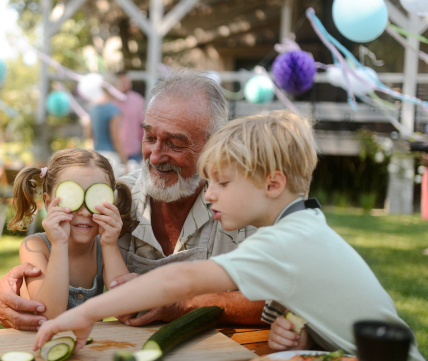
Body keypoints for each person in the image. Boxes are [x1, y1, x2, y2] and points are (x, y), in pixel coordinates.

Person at [32, 110, 425, 361]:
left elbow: (179, 280)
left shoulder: (286, 241)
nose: (210, 193)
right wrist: (303, 332)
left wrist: (84, 313)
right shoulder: (303, 226)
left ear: (272, 184)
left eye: (222, 182)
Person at [0, 69, 264, 331]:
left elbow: (284, 298)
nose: (155, 156)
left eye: (175, 143)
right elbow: (57, 263)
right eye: (149, 136)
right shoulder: (112, 198)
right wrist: (1, 291)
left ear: (214, 144)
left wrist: (185, 305)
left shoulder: (249, 207)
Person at [7, 149, 133, 319]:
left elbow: (127, 312)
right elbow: (49, 315)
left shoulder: (104, 247)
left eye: (95, 200)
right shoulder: (35, 247)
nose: (85, 212)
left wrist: (110, 245)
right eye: (72, 199)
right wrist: (59, 244)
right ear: (49, 203)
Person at [87, 79, 127, 171]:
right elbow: (116, 139)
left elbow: (88, 134)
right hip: (110, 157)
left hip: (96, 155)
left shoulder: (93, 108)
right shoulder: (114, 110)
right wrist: (125, 162)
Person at [113, 71, 145, 163]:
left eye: (127, 81)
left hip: (134, 150)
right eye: (122, 82)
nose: (125, 84)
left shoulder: (138, 99)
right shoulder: (111, 101)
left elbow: (142, 125)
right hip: (115, 150)